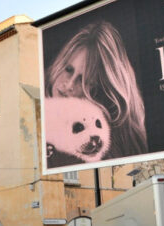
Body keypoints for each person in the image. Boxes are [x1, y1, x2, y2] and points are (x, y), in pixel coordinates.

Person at [46, 21, 147, 163]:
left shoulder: (101, 144)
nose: (69, 85)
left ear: (98, 91)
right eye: (68, 70)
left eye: (84, 81)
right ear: (59, 63)